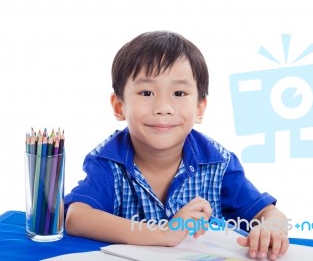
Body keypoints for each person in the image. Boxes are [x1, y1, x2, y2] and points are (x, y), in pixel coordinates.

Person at [64, 31, 289, 260]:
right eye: (147, 92)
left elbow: (268, 213)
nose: (164, 107)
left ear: (199, 108)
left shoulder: (218, 162)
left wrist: (272, 227)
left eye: (179, 93)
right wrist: (164, 232)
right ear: (119, 106)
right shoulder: (108, 161)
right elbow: (76, 217)